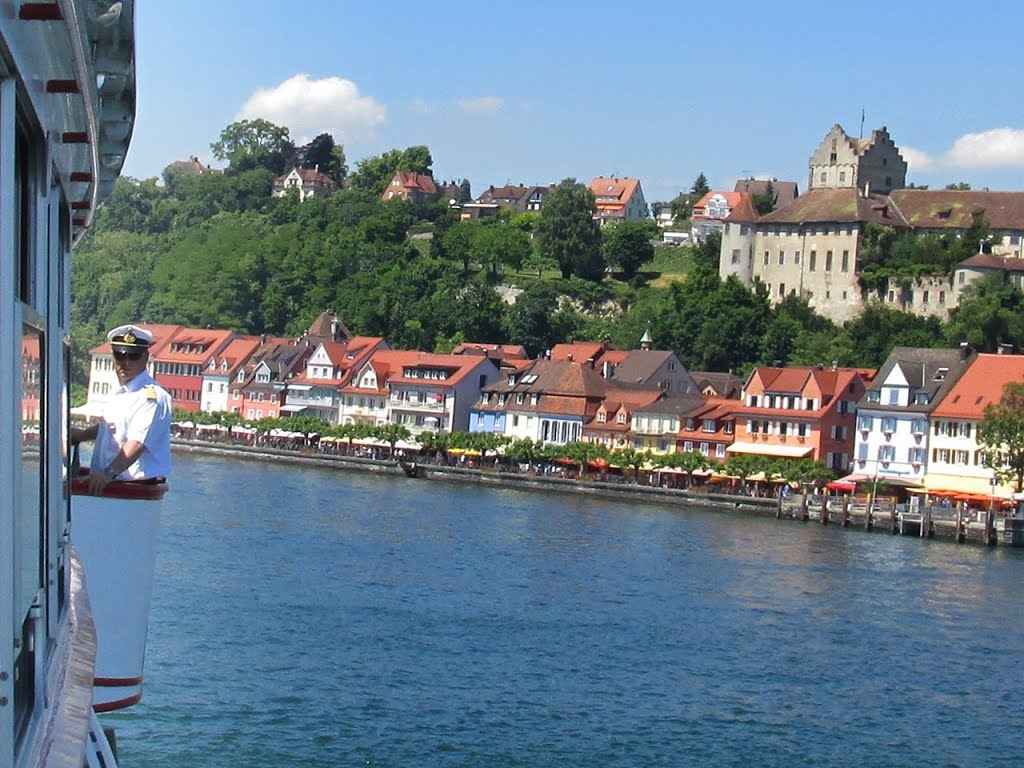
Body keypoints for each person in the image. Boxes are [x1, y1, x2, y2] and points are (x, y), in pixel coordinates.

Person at [71, 324, 172, 495]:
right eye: (120, 355)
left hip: (132, 491)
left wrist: (107, 475)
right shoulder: (117, 392)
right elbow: (109, 428)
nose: (126, 362)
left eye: (133, 356)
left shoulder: (151, 398)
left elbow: (137, 443)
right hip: (110, 487)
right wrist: (81, 435)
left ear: (146, 357)